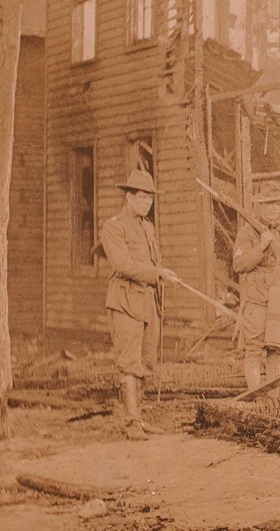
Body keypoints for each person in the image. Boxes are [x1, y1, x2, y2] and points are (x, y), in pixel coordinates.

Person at [101, 169, 178, 440]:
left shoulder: (148, 227)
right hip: (125, 301)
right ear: (128, 197)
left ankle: (140, 419)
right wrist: (157, 274)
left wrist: (161, 276)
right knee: (128, 362)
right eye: (142, 197)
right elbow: (122, 264)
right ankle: (131, 421)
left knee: (146, 362)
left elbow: (152, 263)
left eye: (150, 199)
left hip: (147, 303)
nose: (147, 203)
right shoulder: (113, 226)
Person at [232, 181, 280, 391]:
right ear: (260, 206)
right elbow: (239, 264)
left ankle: (271, 396)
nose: (274, 208)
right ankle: (256, 395)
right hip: (257, 302)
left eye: (278, 204)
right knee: (254, 350)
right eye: (269, 204)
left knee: (276, 351)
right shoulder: (247, 232)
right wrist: (262, 246)